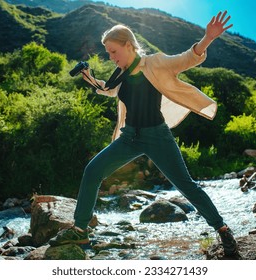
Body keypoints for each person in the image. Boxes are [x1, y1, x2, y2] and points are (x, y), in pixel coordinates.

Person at [50, 11, 238, 256]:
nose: (111, 57)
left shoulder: (155, 63)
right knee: (93, 171)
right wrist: (89, 78)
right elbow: (109, 90)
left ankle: (222, 229)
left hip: (157, 136)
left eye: (114, 51)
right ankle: (80, 231)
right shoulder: (122, 72)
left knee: (187, 186)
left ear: (129, 45)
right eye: (108, 52)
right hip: (129, 138)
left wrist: (207, 38)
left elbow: (187, 59)